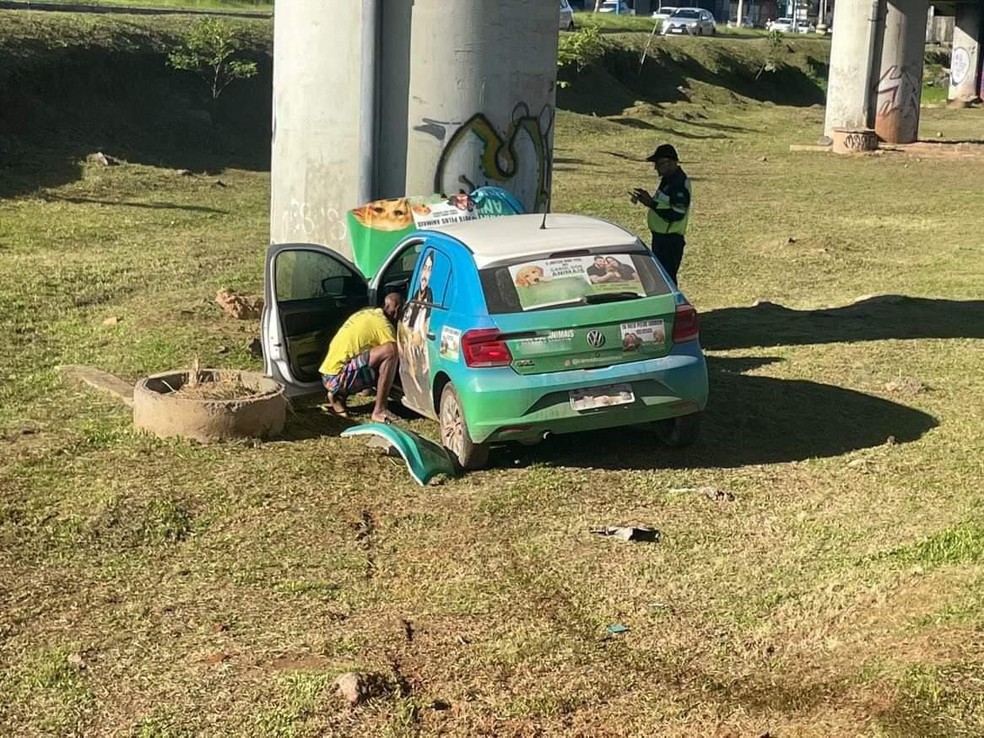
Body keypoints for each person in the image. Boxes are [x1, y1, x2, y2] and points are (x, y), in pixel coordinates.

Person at [319, 292, 403, 422]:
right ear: (397, 310)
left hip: (327, 375)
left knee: (374, 354)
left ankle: (339, 396)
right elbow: (397, 358)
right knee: (391, 350)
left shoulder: (368, 312)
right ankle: (379, 410)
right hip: (338, 378)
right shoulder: (384, 326)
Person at [630, 143, 692, 285]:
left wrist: (651, 204)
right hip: (661, 238)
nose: (656, 168)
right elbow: (664, 203)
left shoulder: (678, 184)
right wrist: (648, 200)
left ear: (670, 162)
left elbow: (677, 214)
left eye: (658, 163)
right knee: (660, 277)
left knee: (666, 280)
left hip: (670, 241)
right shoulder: (668, 180)